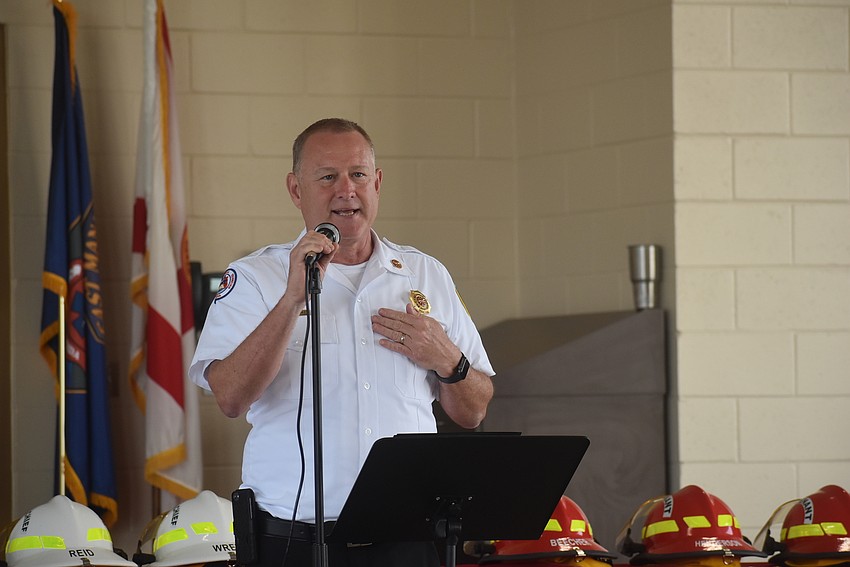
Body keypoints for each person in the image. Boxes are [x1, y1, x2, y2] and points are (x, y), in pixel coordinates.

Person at [189, 118, 495, 566]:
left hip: (406, 537)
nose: (345, 190)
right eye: (327, 177)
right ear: (296, 190)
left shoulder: (426, 275)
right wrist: (293, 299)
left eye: (357, 174)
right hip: (294, 540)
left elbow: (474, 411)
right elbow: (231, 397)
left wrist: (448, 360)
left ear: (377, 182)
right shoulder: (257, 277)